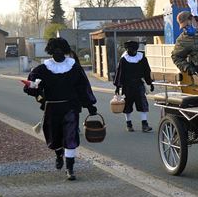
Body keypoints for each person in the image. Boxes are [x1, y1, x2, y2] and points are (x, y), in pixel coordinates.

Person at [22, 37, 97, 181]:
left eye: (60, 51)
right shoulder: (43, 69)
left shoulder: (74, 67)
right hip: (52, 108)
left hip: (71, 107)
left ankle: (70, 168)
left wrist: (90, 105)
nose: (58, 53)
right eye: (54, 51)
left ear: (65, 51)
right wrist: (32, 87)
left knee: (70, 136)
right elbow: (32, 86)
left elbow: (83, 87)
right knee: (54, 135)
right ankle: (58, 154)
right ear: (50, 52)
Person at [114, 40, 154, 133]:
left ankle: (145, 124)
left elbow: (146, 71)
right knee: (127, 104)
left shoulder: (142, 58)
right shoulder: (124, 59)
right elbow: (119, 73)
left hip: (139, 84)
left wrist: (150, 83)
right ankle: (129, 124)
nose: (128, 50)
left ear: (135, 49)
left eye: (131, 49)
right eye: (127, 49)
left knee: (142, 103)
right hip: (127, 85)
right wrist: (117, 86)